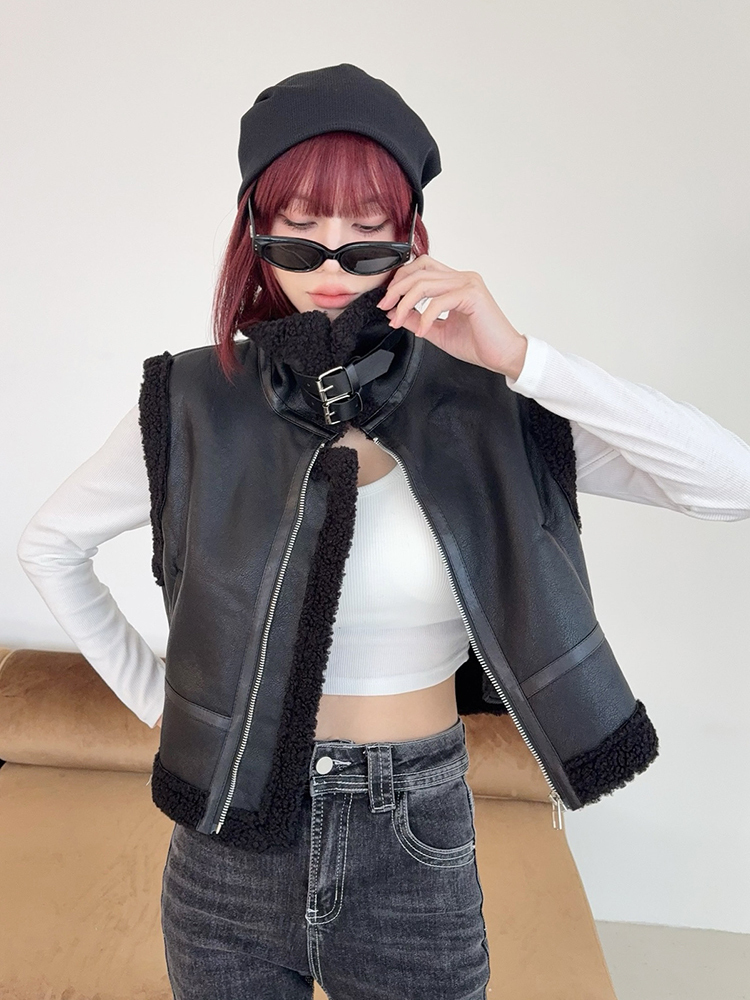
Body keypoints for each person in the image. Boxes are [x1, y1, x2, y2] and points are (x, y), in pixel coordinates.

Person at [16, 63, 750, 1000]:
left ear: (412, 238)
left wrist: (522, 358)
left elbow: (729, 484)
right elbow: (50, 546)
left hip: (415, 833)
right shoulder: (194, 399)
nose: (331, 268)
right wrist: (169, 710)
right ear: (252, 235)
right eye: (298, 235)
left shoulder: (490, 403)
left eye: (366, 236)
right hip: (226, 848)